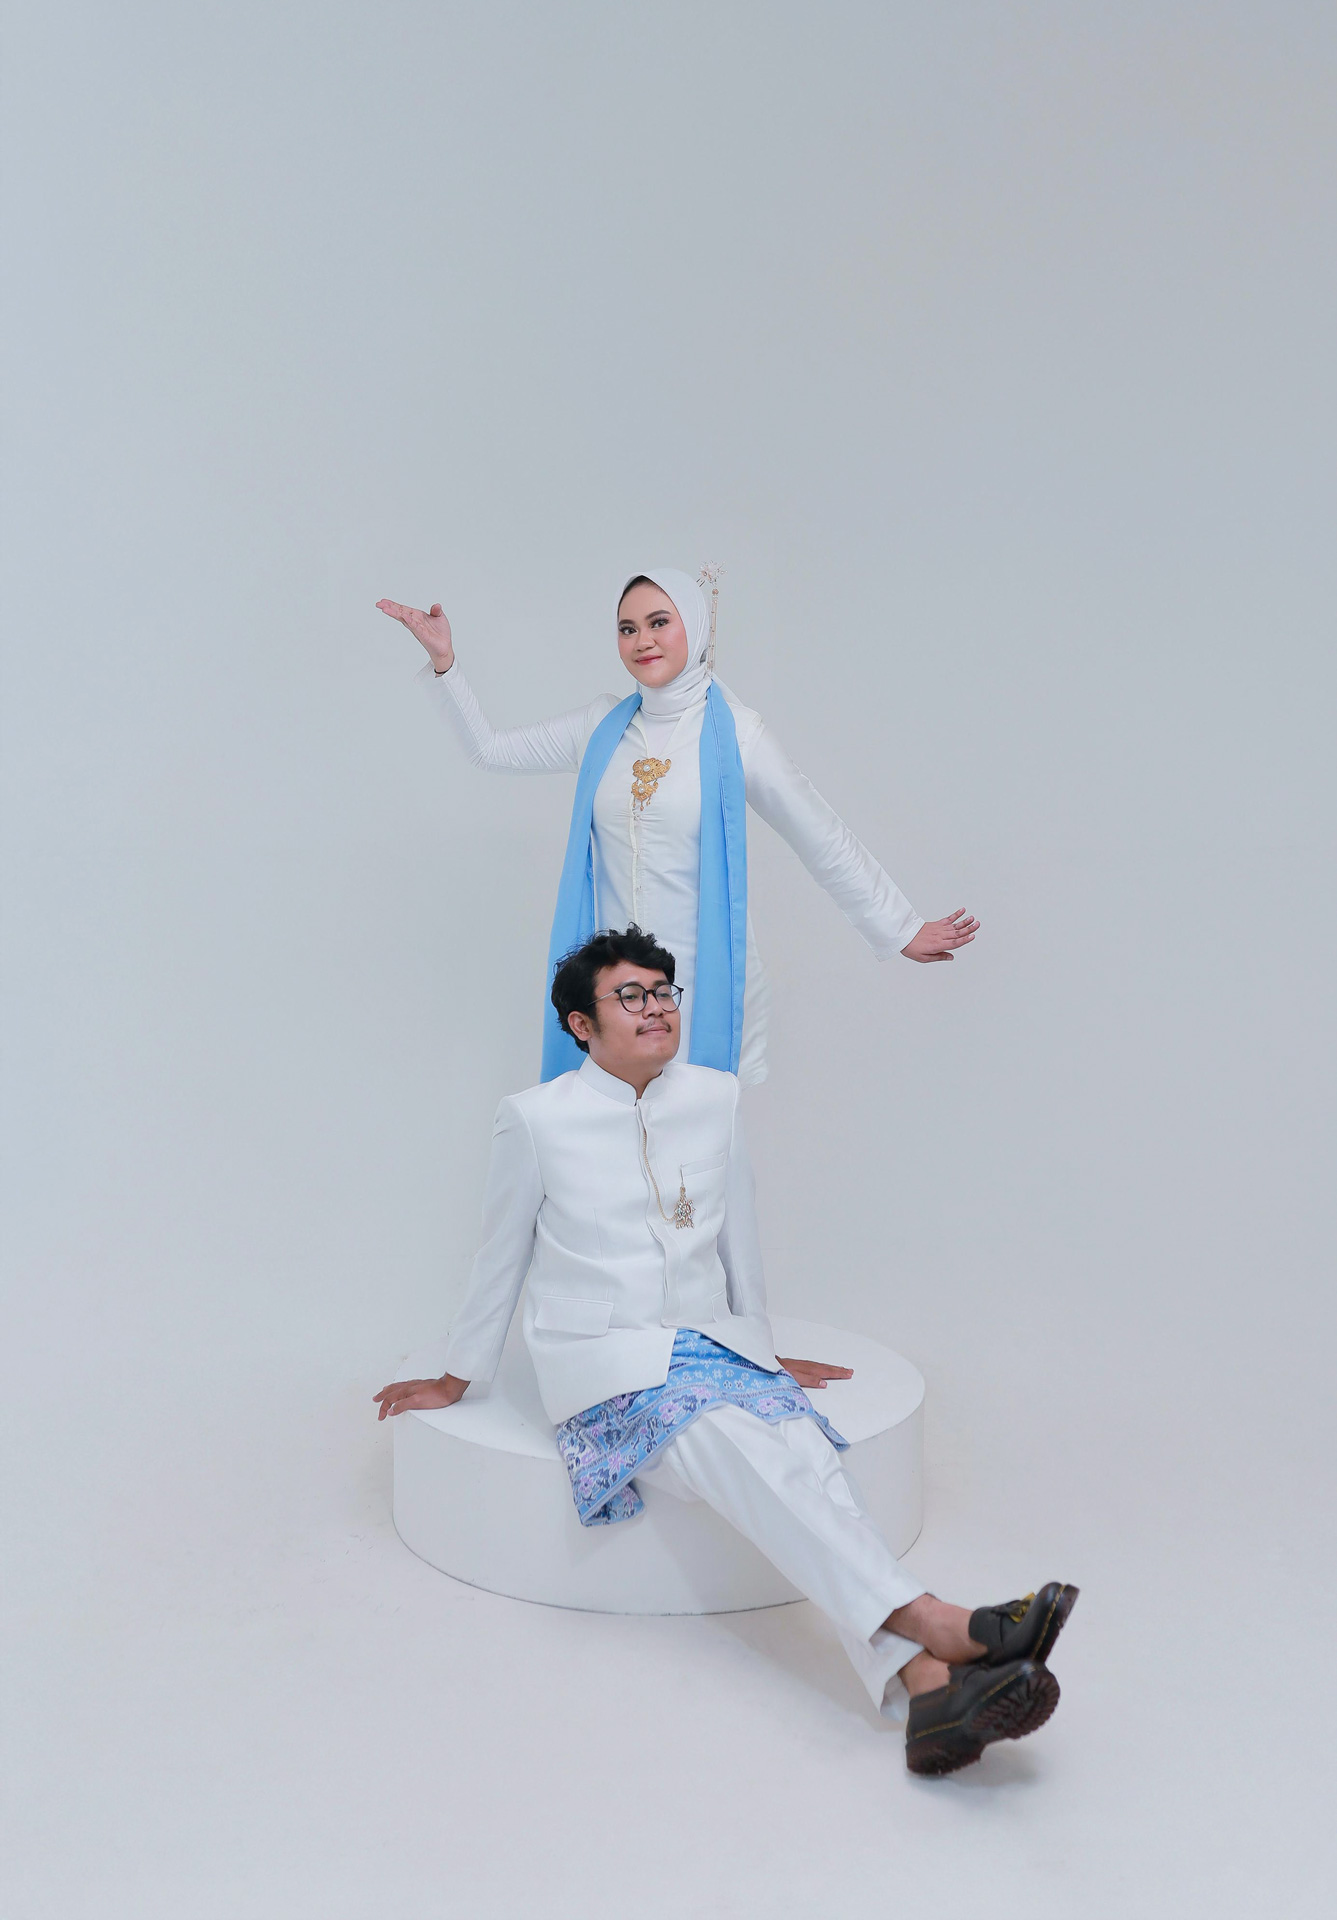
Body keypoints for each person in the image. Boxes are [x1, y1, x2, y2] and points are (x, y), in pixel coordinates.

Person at [374, 925, 1077, 1776]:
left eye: (662, 991)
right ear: (580, 1025)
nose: (655, 1008)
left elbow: (739, 1236)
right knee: (732, 1442)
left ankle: (928, 1689)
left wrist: (762, 1349)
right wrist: (459, 1375)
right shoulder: (534, 1119)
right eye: (630, 996)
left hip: (713, 1344)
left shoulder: (715, 1097)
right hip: (603, 1357)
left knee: (804, 1453)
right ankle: (937, 1621)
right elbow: (500, 1254)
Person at [376, 571, 979, 1084]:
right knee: (612, 1152)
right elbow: (489, 750)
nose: (643, 640)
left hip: (700, 981)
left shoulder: (737, 735)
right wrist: (446, 664)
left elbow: (819, 835)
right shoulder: (600, 727)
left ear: (696, 626)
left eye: (659, 622)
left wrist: (899, 926)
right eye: (628, 628)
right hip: (616, 990)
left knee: (694, 1162)